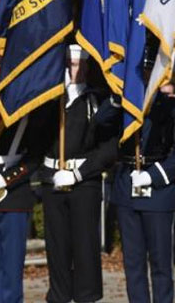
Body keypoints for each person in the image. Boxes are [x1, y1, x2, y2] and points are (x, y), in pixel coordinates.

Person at [40, 45, 120, 303]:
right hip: (53, 180)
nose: (74, 69)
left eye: (78, 64)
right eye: (69, 63)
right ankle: (59, 296)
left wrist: (79, 173)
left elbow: (109, 147)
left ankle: (86, 297)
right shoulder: (50, 101)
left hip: (83, 184)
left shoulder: (96, 102)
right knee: (57, 248)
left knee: (85, 248)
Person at [111, 47, 175, 303]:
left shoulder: (168, 107)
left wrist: (155, 176)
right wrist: (116, 98)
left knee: (160, 264)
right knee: (133, 264)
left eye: (149, 70)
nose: (145, 76)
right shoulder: (124, 103)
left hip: (157, 190)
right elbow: (102, 127)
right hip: (127, 185)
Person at [0, 88, 46, 303]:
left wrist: (7, 179)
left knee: (12, 264)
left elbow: (34, 156)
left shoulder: (25, 107)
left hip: (14, 194)